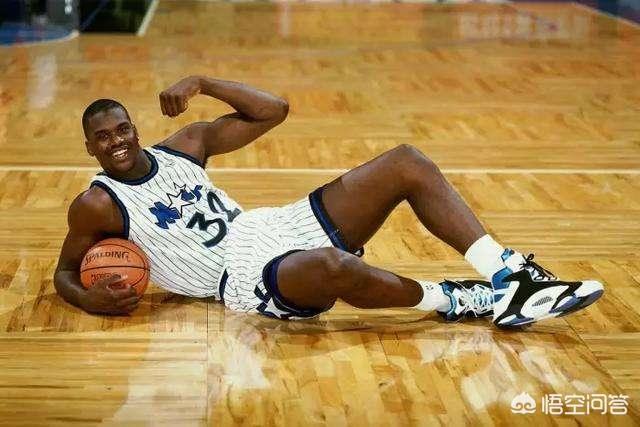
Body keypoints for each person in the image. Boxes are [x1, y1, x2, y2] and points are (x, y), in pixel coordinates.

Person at [54, 75, 603, 327]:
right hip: (238, 278)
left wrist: (202, 82)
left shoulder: (184, 146)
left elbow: (273, 110)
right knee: (333, 267)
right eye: (103, 138)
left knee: (406, 161)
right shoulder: (97, 204)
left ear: (135, 128)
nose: (117, 141)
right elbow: (63, 273)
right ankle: (459, 300)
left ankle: (508, 276)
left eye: (122, 129)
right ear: (90, 148)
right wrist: (87, 299)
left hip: (271, 226)